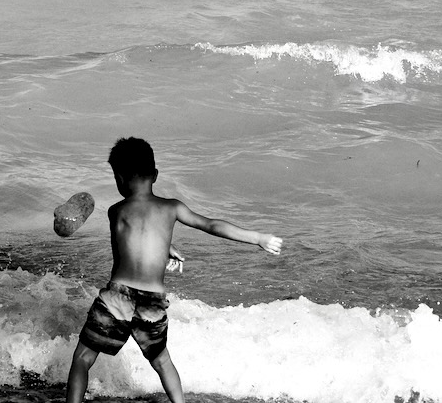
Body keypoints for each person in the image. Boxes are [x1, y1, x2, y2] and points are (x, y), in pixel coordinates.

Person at [66, 137, 282, 403]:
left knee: (83, 358)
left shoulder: (116, 211)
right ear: (155, 175)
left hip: (118, 297)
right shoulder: (172, 208)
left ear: (119, 178)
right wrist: (257, 238)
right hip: (152, 301)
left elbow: (130, 241)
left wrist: (165, 247)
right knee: (162, 362)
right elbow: (211, 225)